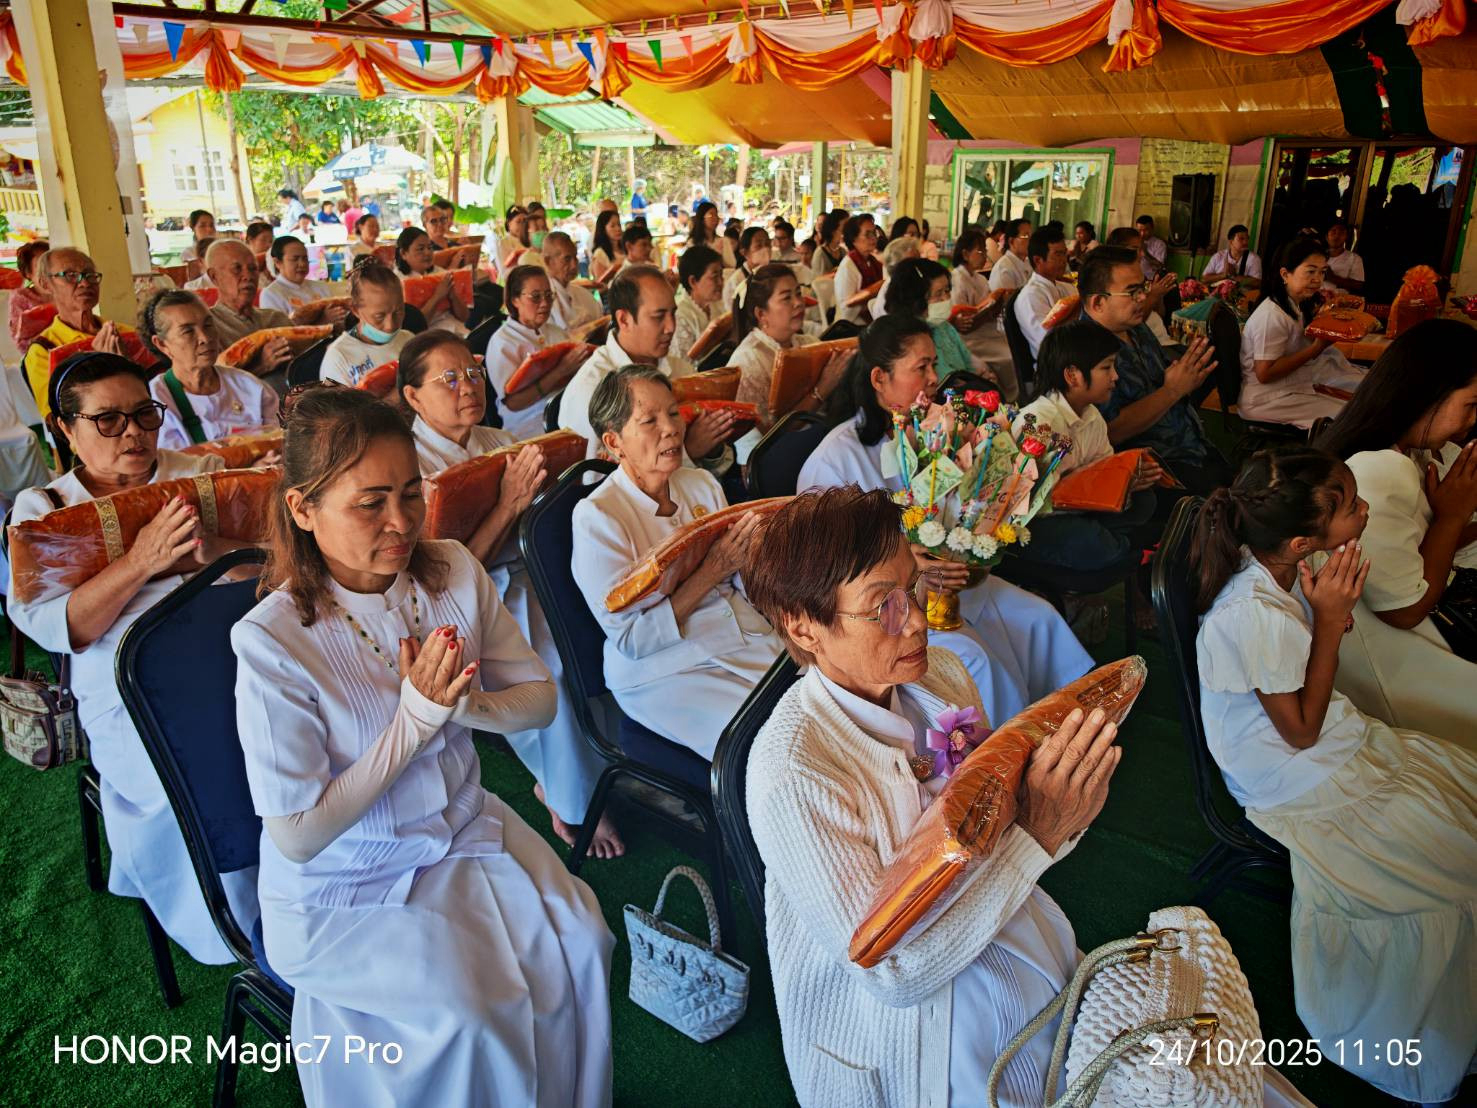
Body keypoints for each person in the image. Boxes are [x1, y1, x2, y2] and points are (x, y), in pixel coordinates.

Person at [232, 385, 613, 1107]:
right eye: (369, 503)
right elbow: (299, 835)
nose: (400, 522)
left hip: (460, 827)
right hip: (345, 884)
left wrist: (462, 704)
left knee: (586, 942)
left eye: (411, 494)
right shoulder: (273, 642)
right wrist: (414, 721)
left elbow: (537, 700)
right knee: (473, 1015)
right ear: (303, 509)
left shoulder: (451, 571)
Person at [744, 486, 1125, 1108]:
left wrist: (1057, 799)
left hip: (1003, 929)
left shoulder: (942, 676)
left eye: (912, 587)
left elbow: (996, 816)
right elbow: (890, 974)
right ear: (804, 628)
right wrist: (1039, 838)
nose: (917, 618)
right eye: (882, 607)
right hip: (916, 1034)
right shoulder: (794, 771)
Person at [1191, 445, 1477, 1103]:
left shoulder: (1288, 564)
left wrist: (1327, 618)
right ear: (1298, 540)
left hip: (1318, 741)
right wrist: (1326, 624)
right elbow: (1298, 732)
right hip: (1290, 775)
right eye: (1348, 505)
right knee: (1447, 866)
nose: (1363, 509)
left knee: (1457, 792)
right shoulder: (1253, 613)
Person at [10, 353, 256, 966]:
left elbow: (275, 564)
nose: (135, 434)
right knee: (193, 773)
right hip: (131, 689)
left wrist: (209, 552)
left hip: (239, 654)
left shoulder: (198, 476)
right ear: (65, 430)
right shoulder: (43, 513)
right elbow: (66, 628)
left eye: (144, 414)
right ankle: (227, 922)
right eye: (109, 421)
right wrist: (143, 561)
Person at [799, 315, 1095, 725]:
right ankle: (1005, 756)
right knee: (976, 661)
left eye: (934, 365)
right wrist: (913, 569)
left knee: (1038, 615)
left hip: (949, 584)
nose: (935, 378)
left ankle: (1065, 722)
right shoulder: (835, 460)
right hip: (890, 611)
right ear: (879, 379)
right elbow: (830, 571)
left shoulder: (936, 433)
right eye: (921, 368)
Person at [398, 331, 621, 856]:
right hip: (451, 601)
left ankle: (609, 761)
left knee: (603, 633)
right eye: (448, 379)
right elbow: (434, 576)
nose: (468, 387)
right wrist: (507, 505)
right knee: (551, 667)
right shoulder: (409, 468)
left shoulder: (498, 443)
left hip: (528, 575)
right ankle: (573, 797)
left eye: (473, 374)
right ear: (412, 397)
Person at [571, 366, 784, 758]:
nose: (670, 429)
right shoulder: (598, 517)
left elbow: (740, 580)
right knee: (773, 741)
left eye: (673, 413)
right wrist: (712, 571)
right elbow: (634, 640)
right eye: (649, 420)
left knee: (824, 697)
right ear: (614, 442)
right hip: (665, 669)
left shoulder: (699, 483)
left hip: (737, 631)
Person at [1314, 320, 1477, 744]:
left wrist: (1456, 519)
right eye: (1472, 405)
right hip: (1395, 659)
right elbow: (1403, 610)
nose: (1473, 421)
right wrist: (1453, 518)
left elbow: (1420, 541)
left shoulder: (1412, 449)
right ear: (1427, 395)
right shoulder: (1379, 470)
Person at [1080, 246, 1231, 496]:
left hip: (1192, 446)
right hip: (1154, 471)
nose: (1143, 298)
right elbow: (1108, 432)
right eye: (1132, 292)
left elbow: (1166, 378)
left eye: (1143, 287)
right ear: (1097, 302)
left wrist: (1185, 377)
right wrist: (1172, 390)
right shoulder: (1084, 349)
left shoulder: (1135, 327)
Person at [1012, 322, 1160, 574]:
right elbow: (1028, 502)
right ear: (1073, 375)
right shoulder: (1038, 422)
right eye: (1106, 368)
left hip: (1082, 509)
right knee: (1090, 541)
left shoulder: (1092, 416)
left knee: (1145, 500)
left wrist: (1127, 480)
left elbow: (1103, 471)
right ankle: (1124, 549)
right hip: (1040, 520)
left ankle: (1119, 547)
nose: (1115, 376)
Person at [559, 266, 732, 470]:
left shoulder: (679, 370)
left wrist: (712, 447)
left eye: (673, 314)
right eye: (658, 317)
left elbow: (719, 464)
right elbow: (596, 483)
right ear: (624, 319)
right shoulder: (591, 391)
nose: (671, 327)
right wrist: (688, 452)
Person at [1240, 237, 1364, 429]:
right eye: (1310, 271)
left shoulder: (1295, 305)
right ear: (1285, 274)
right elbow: (1264, 374)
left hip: (1288, 387)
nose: (1318, 280)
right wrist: (1317, 347)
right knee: (1349, 419)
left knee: (1354, 407)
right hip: (1266, 399)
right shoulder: (1272, 315)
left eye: (1322, 273)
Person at [139, 290, 279, 447]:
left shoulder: (251, 387)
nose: (205, 338)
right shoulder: (157, 402)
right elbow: (173, 466)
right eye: (188, 331)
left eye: (208, 325)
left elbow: (277, 443)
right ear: (162, 344)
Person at [24, 247, 144, 423]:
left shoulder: (126, 333)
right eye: (70, 275)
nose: (85, 283)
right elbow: (57, 421)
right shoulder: (44, 350)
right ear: (45, 284)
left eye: (90, 275)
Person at [731, 263, 848, 435]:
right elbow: (770, 436)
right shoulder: (748, 360)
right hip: (776, 457)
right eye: (786, 298)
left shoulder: (808, 342)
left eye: (798, 294)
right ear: (761, 314)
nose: (798, 303)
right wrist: (821, 390)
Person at [483, 266, 583, 440]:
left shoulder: (555, 332)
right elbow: (514, 403)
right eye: (535, 297)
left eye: (548, 295)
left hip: (569, 412)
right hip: (530, 426)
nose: (544, 303)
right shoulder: (503, 343)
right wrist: (560, 371)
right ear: (515, 300)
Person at [205, 240, 295, 382]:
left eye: (253, 268)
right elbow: (212, 387)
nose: (248, 276)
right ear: (214, 276)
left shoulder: (276, 319)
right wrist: (262, 366)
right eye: (237, 269)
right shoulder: (206, 327)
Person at [319, 262, 412, 387]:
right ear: (355, 310)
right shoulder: (339, 357)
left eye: (398, 312)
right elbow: (336, 406)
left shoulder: (409, 341)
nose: (390, 325)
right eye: (379, 316)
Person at [949, 228, 1016, 399]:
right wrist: (988, 305)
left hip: (987, 332)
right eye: (980, 251)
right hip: (970, 338)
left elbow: (990, 310)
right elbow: (963, 322)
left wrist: (999, 301)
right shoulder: (956, 279)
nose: (985, 255)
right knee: (1008, 357)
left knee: (1016, 347)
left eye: (985, 251)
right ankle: (1009, 398)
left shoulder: (979, 279)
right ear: (965, 254)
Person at [1014, 225, 1076, 358]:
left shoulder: (1067, 287)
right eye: (1058, 254)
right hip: (1054, 365)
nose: (1064, 260)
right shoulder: (1030, 296)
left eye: (1064, 253)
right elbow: (1049, 343)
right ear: (1038, 260)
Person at [395, 227, 468, 332]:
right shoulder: (398, 282)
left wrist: (453, 296)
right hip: (430, 337)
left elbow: (464, 317)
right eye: (420, 249)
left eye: (430, 247)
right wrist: (437, 296)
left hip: (456, 328)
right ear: (403, 253)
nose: (427, 253)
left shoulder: (439, 273)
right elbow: (415, 327)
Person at [258, 236, 337, 320]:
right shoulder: (271, 294)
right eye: (295, 259)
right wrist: (323, 321)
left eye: (305, 258)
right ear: (277, 262)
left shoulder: (321, 287)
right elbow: (279, 330)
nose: (302, 264)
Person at [673, 244, 725, 364]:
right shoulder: (680, 317)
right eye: (714, 277)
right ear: (693, 281)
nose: (721, 282)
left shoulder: (718, 306)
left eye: (721, 275)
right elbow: (683, 364)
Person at [541, 231, 601, 335]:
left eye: (575, 257)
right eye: (567, 259)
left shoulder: (583, 294)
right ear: (548, 261)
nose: (574, 265)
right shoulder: (542, 302)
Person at [832, 214, 882, 326]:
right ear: (854, 238)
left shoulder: (873, 261)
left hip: (870, 323)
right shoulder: (848, 266)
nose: (873, 238)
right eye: (868, 234)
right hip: (851, 326)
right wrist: (875, 289)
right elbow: (846, 307)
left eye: (874, 233)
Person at [8, 238, 51, 352]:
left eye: (52, 265)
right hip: (38, 355)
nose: (49, 272)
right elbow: (20, 341)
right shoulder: (21, 297)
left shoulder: (66, 291)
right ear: (28, 273)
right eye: (41, 267)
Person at [723, 226, 772, 316]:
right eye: (759, 246)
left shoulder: (773, 275)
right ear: (744, 252)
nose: (765, 249)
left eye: (768, 244)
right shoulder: (736, 281)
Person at [987, 219, 1033, 293]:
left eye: (1031, 236)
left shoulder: (1029, 263)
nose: (1031, 241)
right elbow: (1007, 303)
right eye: (1025, 236)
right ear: (1011, 241)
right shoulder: (1003, 269)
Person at [1321, 219, 1365, 293]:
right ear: (1326, 237)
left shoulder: (1354, 258)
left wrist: (1332, 278)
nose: (1337, 235)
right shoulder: (1317, 255)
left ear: (1346, 237)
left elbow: (1359, 285)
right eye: (1333, 231)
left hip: (1338, 301)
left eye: (1341, 232)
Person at [589, 209, 624, 285]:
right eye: (612, 226)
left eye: (619, 224)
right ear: (603, 229)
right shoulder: (600, 253)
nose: (618, 229)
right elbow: (601, 286)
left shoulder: (625, 248)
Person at [812, 209, 847, 277]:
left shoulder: (843, 251)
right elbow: (817, 281)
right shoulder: (820, 253)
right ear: (834, 228)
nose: (848, 229)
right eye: (845, 225)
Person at [1134, 214, 1167, 280]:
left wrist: (1145, 252)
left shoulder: (1159, 244)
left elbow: (1159, 266)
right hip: (1133, 278)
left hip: (1150, 280)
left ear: (1152, 228)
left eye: (1146, 230)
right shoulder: (1132, 241)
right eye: (1140, 230)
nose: (1142, 234)